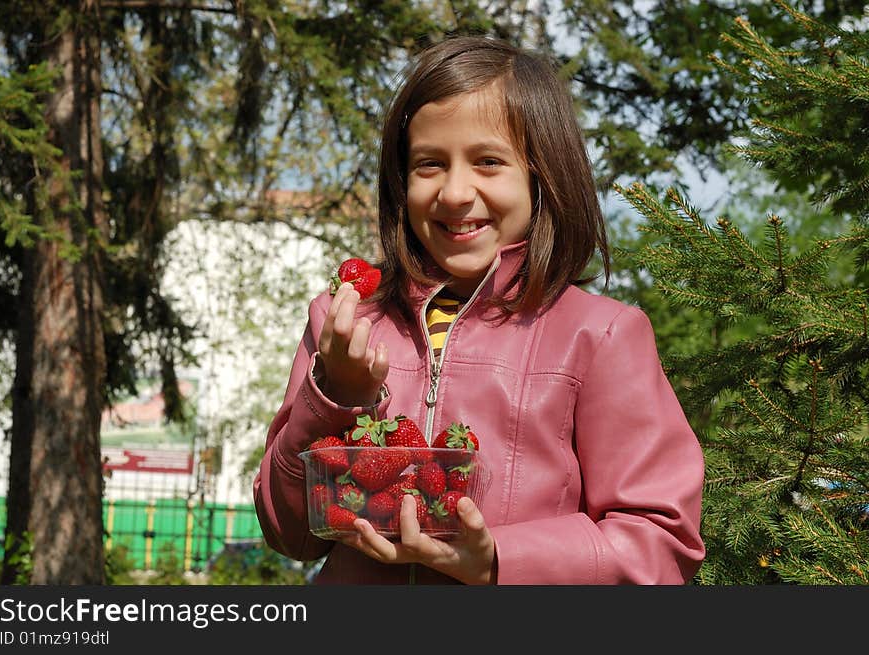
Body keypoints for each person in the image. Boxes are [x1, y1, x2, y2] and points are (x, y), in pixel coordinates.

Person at [253, 35, 705, 584]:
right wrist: (334, 399)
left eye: (488, 161)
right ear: (401, 180)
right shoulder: (344, 324)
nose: (455, 192)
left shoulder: (599, 335)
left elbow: (659, 541)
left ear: (543, 176)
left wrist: (498, 561)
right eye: (429, 164)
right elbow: (289, 532)